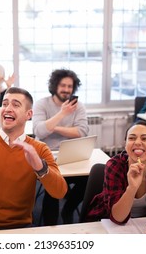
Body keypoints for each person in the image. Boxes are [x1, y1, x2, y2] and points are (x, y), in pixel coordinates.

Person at [0, 87, 67, 231]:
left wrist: (40, 167)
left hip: (20, 227)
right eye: (4, 104)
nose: (7, 109)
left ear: (29, 114)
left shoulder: (39, 149)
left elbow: (60, 192)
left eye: (15, 105)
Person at [32, 69, 89, 225]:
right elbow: (38, 131)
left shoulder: (79, 107)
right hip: (47, 156)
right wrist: (62, 114)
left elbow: (82, 132)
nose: (66, 89)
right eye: (63, 85)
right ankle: (51, 227)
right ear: (55, 86)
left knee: (90, 178)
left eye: (70, 86)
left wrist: (53, 127)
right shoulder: (42, 104)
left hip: (72, 156)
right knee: (53, 184)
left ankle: (68, 209)